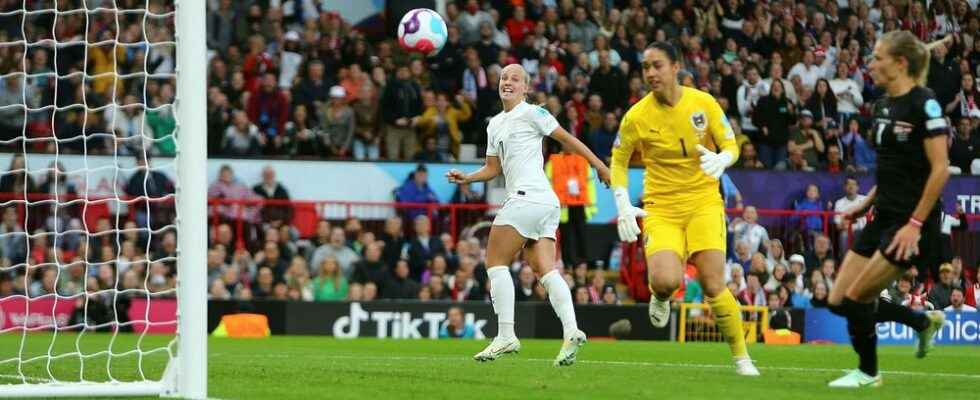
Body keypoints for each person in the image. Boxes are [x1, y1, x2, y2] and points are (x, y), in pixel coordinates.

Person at [445, 64, 610, 366]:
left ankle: (506, 334)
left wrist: (598, 164)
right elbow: (494, 169)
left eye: (515, 79)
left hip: (527, 198)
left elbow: (567, 139)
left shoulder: (534, 113)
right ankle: (571, 330)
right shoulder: (494, 124)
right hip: (544, 204)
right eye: (504, 77)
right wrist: (467, 178)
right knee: (545, 270)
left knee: (495, 262)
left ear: (526, 88)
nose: (507, 82)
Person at [610, 42, 758, 376]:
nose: (650, 73)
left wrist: (724, 157)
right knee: (665, 281)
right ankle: (660, 296)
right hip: (661, 207)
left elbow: (731, 143)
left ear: (676, 66)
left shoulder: (702, 103)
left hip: (703, 202)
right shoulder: (636, 115)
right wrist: (622, 204)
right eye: (645, 67)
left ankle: (742, 358)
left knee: (712, 283)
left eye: (657, 65)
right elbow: (618, 160)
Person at [826, 32, 951, 388]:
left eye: (878, 57)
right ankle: (922, 323)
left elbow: (940, 169)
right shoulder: (881, 105)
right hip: (881, 217)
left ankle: (868, 373)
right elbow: (892, 170)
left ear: (900, 63)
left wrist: (914, 224)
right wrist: (861, 206)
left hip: (910, 225)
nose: (871, 63)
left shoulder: (924, 103)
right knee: (838, 301)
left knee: (857, 298)